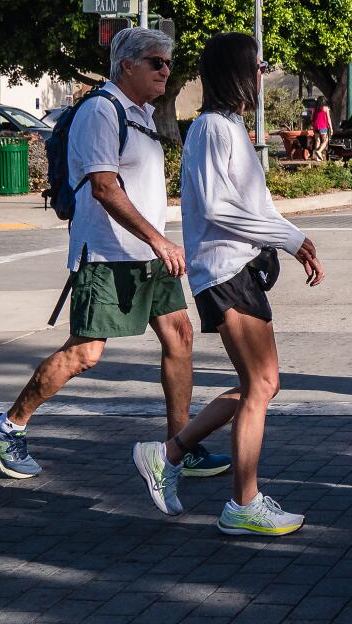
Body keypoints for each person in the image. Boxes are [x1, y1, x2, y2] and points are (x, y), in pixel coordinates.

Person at [0, 28, 228, 482]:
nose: (165, 71)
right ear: (126, 64)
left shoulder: (143, 114)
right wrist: (158, 239)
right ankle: (8, 424)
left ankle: (180, 446)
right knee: (86, 353)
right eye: (156, 62)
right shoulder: (100, 111)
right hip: (109, 254)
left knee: (180, 337)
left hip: (148, 254)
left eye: (168, 63)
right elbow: (104, 186)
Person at [134, 32, 326, 535]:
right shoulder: (213, 127)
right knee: (262, 384)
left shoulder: (230, 126)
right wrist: (289, 236)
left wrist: (290, 238)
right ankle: (242, 503)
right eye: (258, 66)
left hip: (235, 268)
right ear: (237, 71)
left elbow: (254, 206)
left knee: (259, 385)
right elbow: (220, 209)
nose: (263, 74)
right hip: (223, 270)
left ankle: (169, 453)